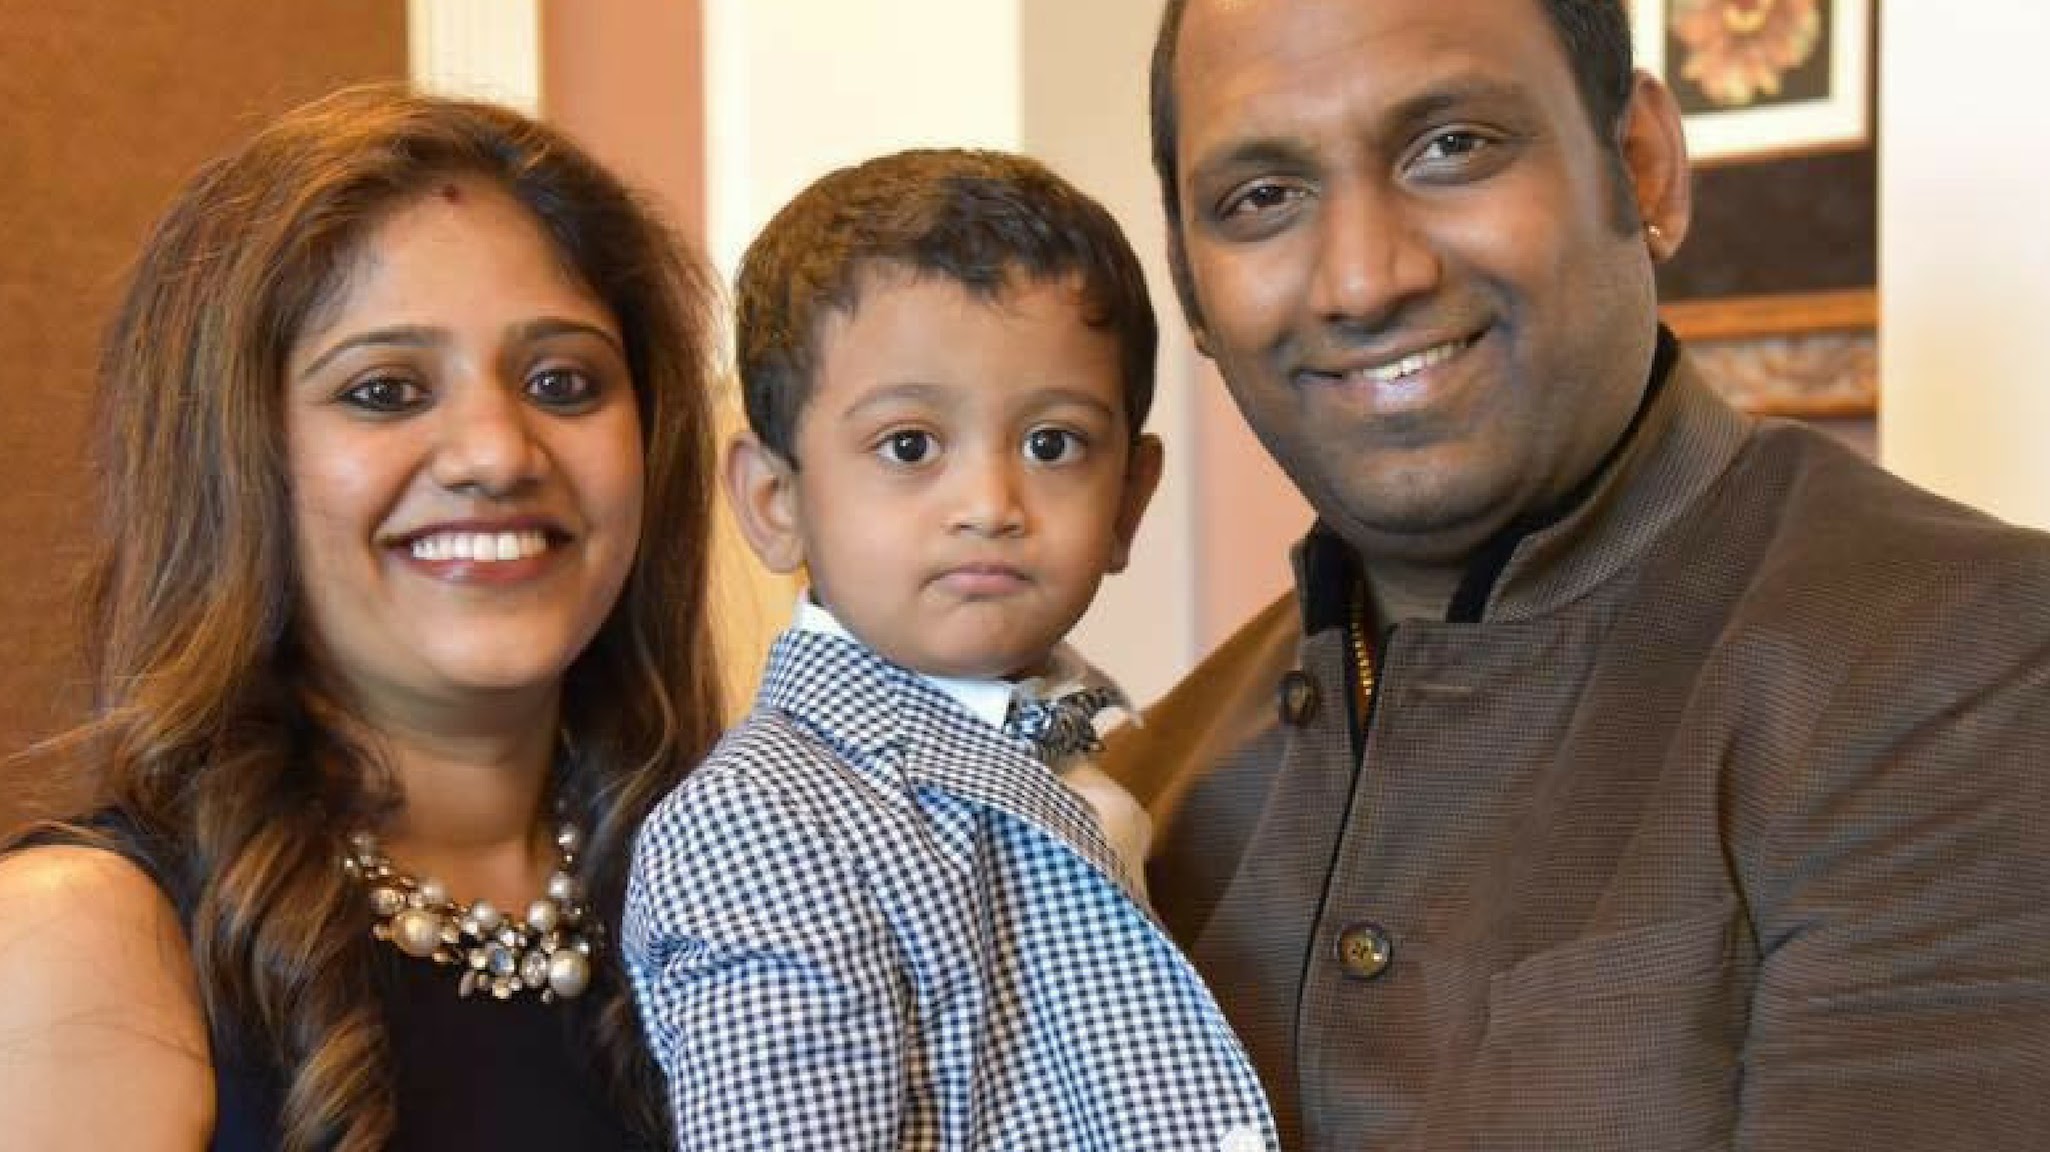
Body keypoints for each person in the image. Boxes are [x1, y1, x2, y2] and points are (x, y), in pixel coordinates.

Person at [1105, 0, 2050, 1147]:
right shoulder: (1130, 800)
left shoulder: (1970, 666)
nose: (1362, 278)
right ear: (1190, 284)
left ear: (1641, 165)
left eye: (1450, 145)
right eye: (1261, 197)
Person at [0, 87, 724, 1151]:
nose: (497, 454)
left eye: (564, 381)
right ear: (234, 461)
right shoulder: (81, 941)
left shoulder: (755, 892)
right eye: (386, 390)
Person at [623, 149, 1276, 1150]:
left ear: (1128, 502)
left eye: (1052, 444)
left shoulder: (1091, 759)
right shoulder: (765, 823)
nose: (989, 505)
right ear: (775, 500)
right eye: (910, 446)